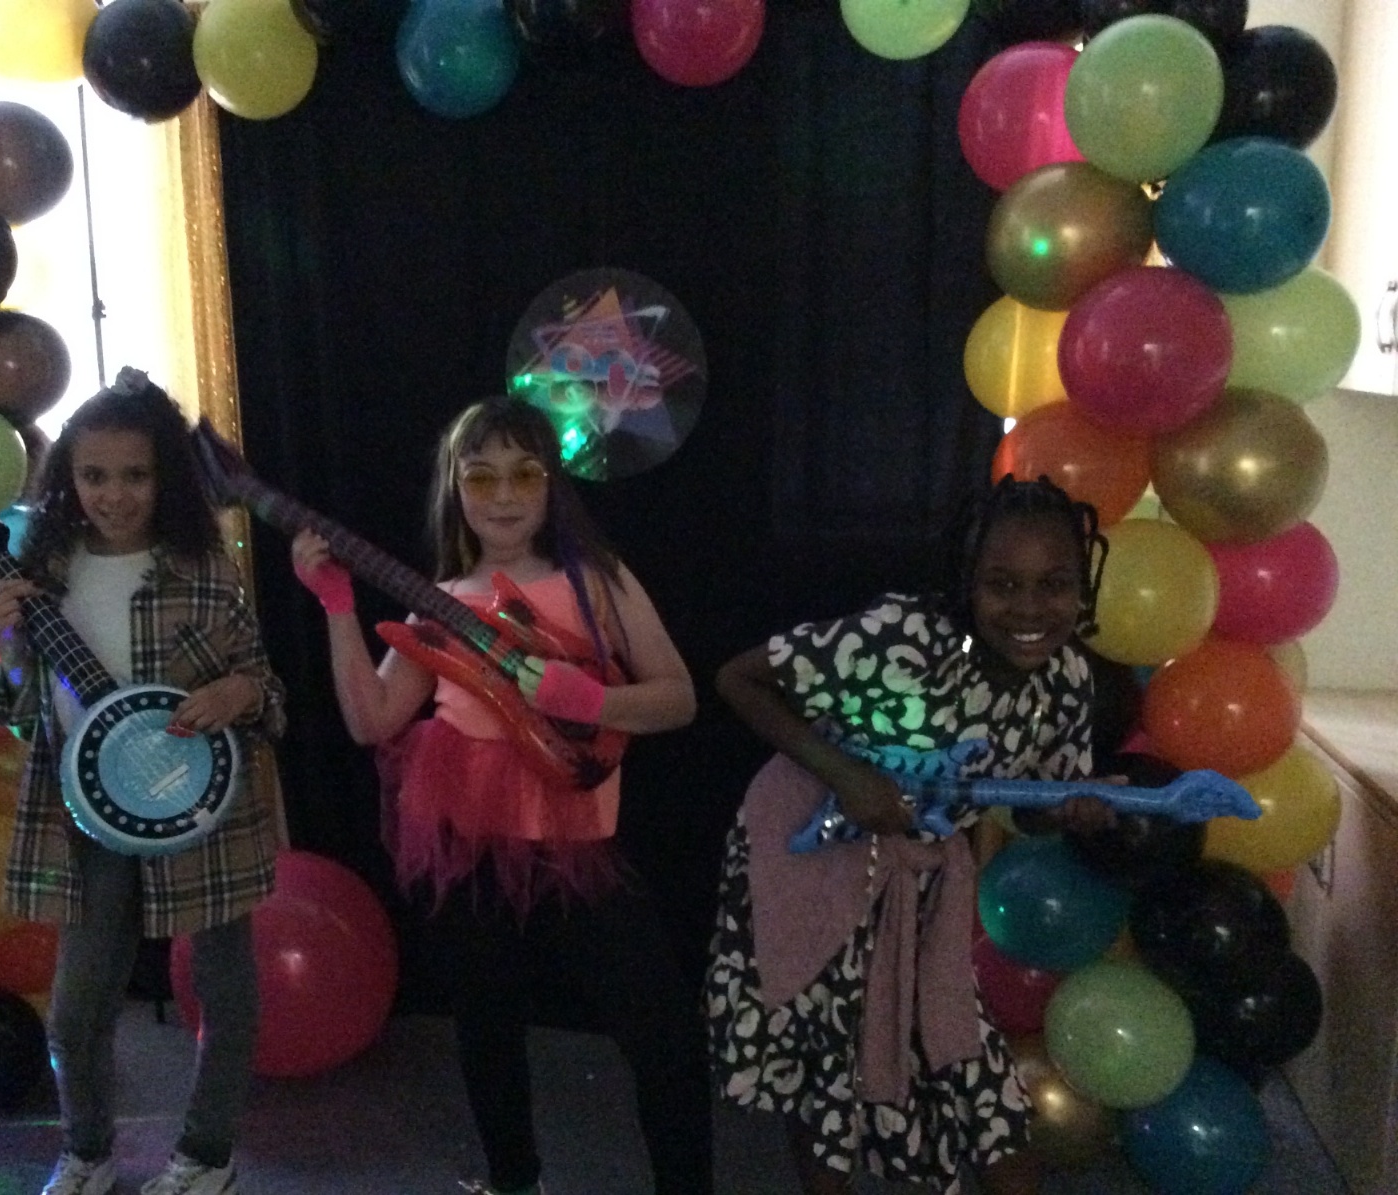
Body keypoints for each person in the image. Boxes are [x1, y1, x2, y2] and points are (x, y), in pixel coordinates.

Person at [291, 396, 713, 1195]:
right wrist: (336, 606)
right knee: (486, 1029)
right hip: (469, 843)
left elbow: (678, 697)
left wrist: (590, 700)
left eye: (525, 473)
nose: (505, 494)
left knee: (664, 1034)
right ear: (455, 487)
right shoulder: (440, 596)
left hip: (578, 845)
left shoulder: (597, 580)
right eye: (481, 476)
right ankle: (513, 1180)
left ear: (553, 483)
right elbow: (371, 719)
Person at [705, 475, 1112, 1195]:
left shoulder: (1068, 679)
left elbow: (1028, 802)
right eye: (1002, 584)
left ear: (1083, 587)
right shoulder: (903, 637)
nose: (1028, 608)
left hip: (918, 884)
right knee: (828, 1066)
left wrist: (1066, 811)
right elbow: (738, 679)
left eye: (1054, 585)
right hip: (810, 856)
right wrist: (849, 776)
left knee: (966, 1061)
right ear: (968, 584)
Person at [0, 368, 286, 1195]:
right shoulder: (44, 569)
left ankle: (207, 1155)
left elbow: (269, 690)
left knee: (225, 995)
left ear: (166, 478)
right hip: (88, 812)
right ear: (67, 477)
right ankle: (87, 1151)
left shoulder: (204, 567)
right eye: (93, 475)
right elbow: (16, 713)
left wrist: (240, 693)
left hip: (201, 808)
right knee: (77, 1007)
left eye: (135, 475)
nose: (113, 495)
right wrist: (7, 647)